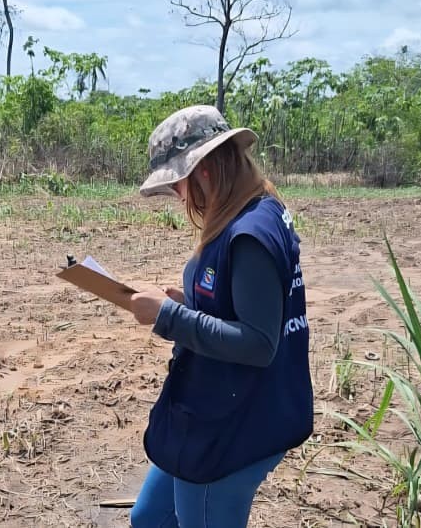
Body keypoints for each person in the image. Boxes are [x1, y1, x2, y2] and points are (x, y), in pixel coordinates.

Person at [113, 104, 314, 528]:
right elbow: (245, 303)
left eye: (177, 185)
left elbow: (258, 343)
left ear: (203, 170)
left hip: (236, 422)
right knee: (150, 519)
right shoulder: (251, 212)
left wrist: (168, 316)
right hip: (218, 406)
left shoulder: (250, 233)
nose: (179, 197)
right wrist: (189, 301)